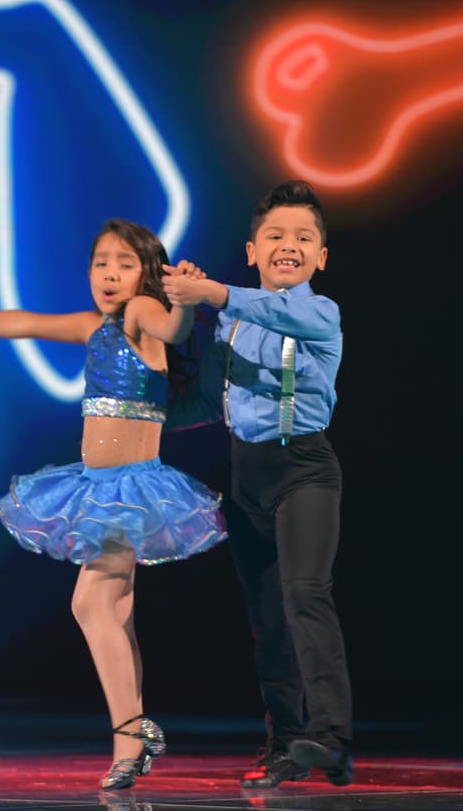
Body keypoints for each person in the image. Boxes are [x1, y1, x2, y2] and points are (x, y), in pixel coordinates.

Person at [0, 218, 226, 790]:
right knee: (116, 615)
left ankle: (133, 731)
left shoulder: (142, 311)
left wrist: (182, 298)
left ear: (147, 273)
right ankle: (131, 743)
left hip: (130, 491)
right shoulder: (95, 327)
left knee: (90, 604)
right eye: (100, 263)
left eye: (124, 264)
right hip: (95, 487)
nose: (110, 274)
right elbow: (26, 322)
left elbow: (172, 326)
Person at [162, 180, 352, 788]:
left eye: (303, 238)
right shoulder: (231, 324)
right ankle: (287, 742)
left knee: (305, 596)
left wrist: (212, 293)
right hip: (246, 474)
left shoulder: (319, 313)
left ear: (321, 256)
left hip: (304, 470)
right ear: (252, 250)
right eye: (275, 236)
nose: (288, 245)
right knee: (268, 618)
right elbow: (203, 401)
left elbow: (272, 310)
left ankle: (332, 737)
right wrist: (126, 415)